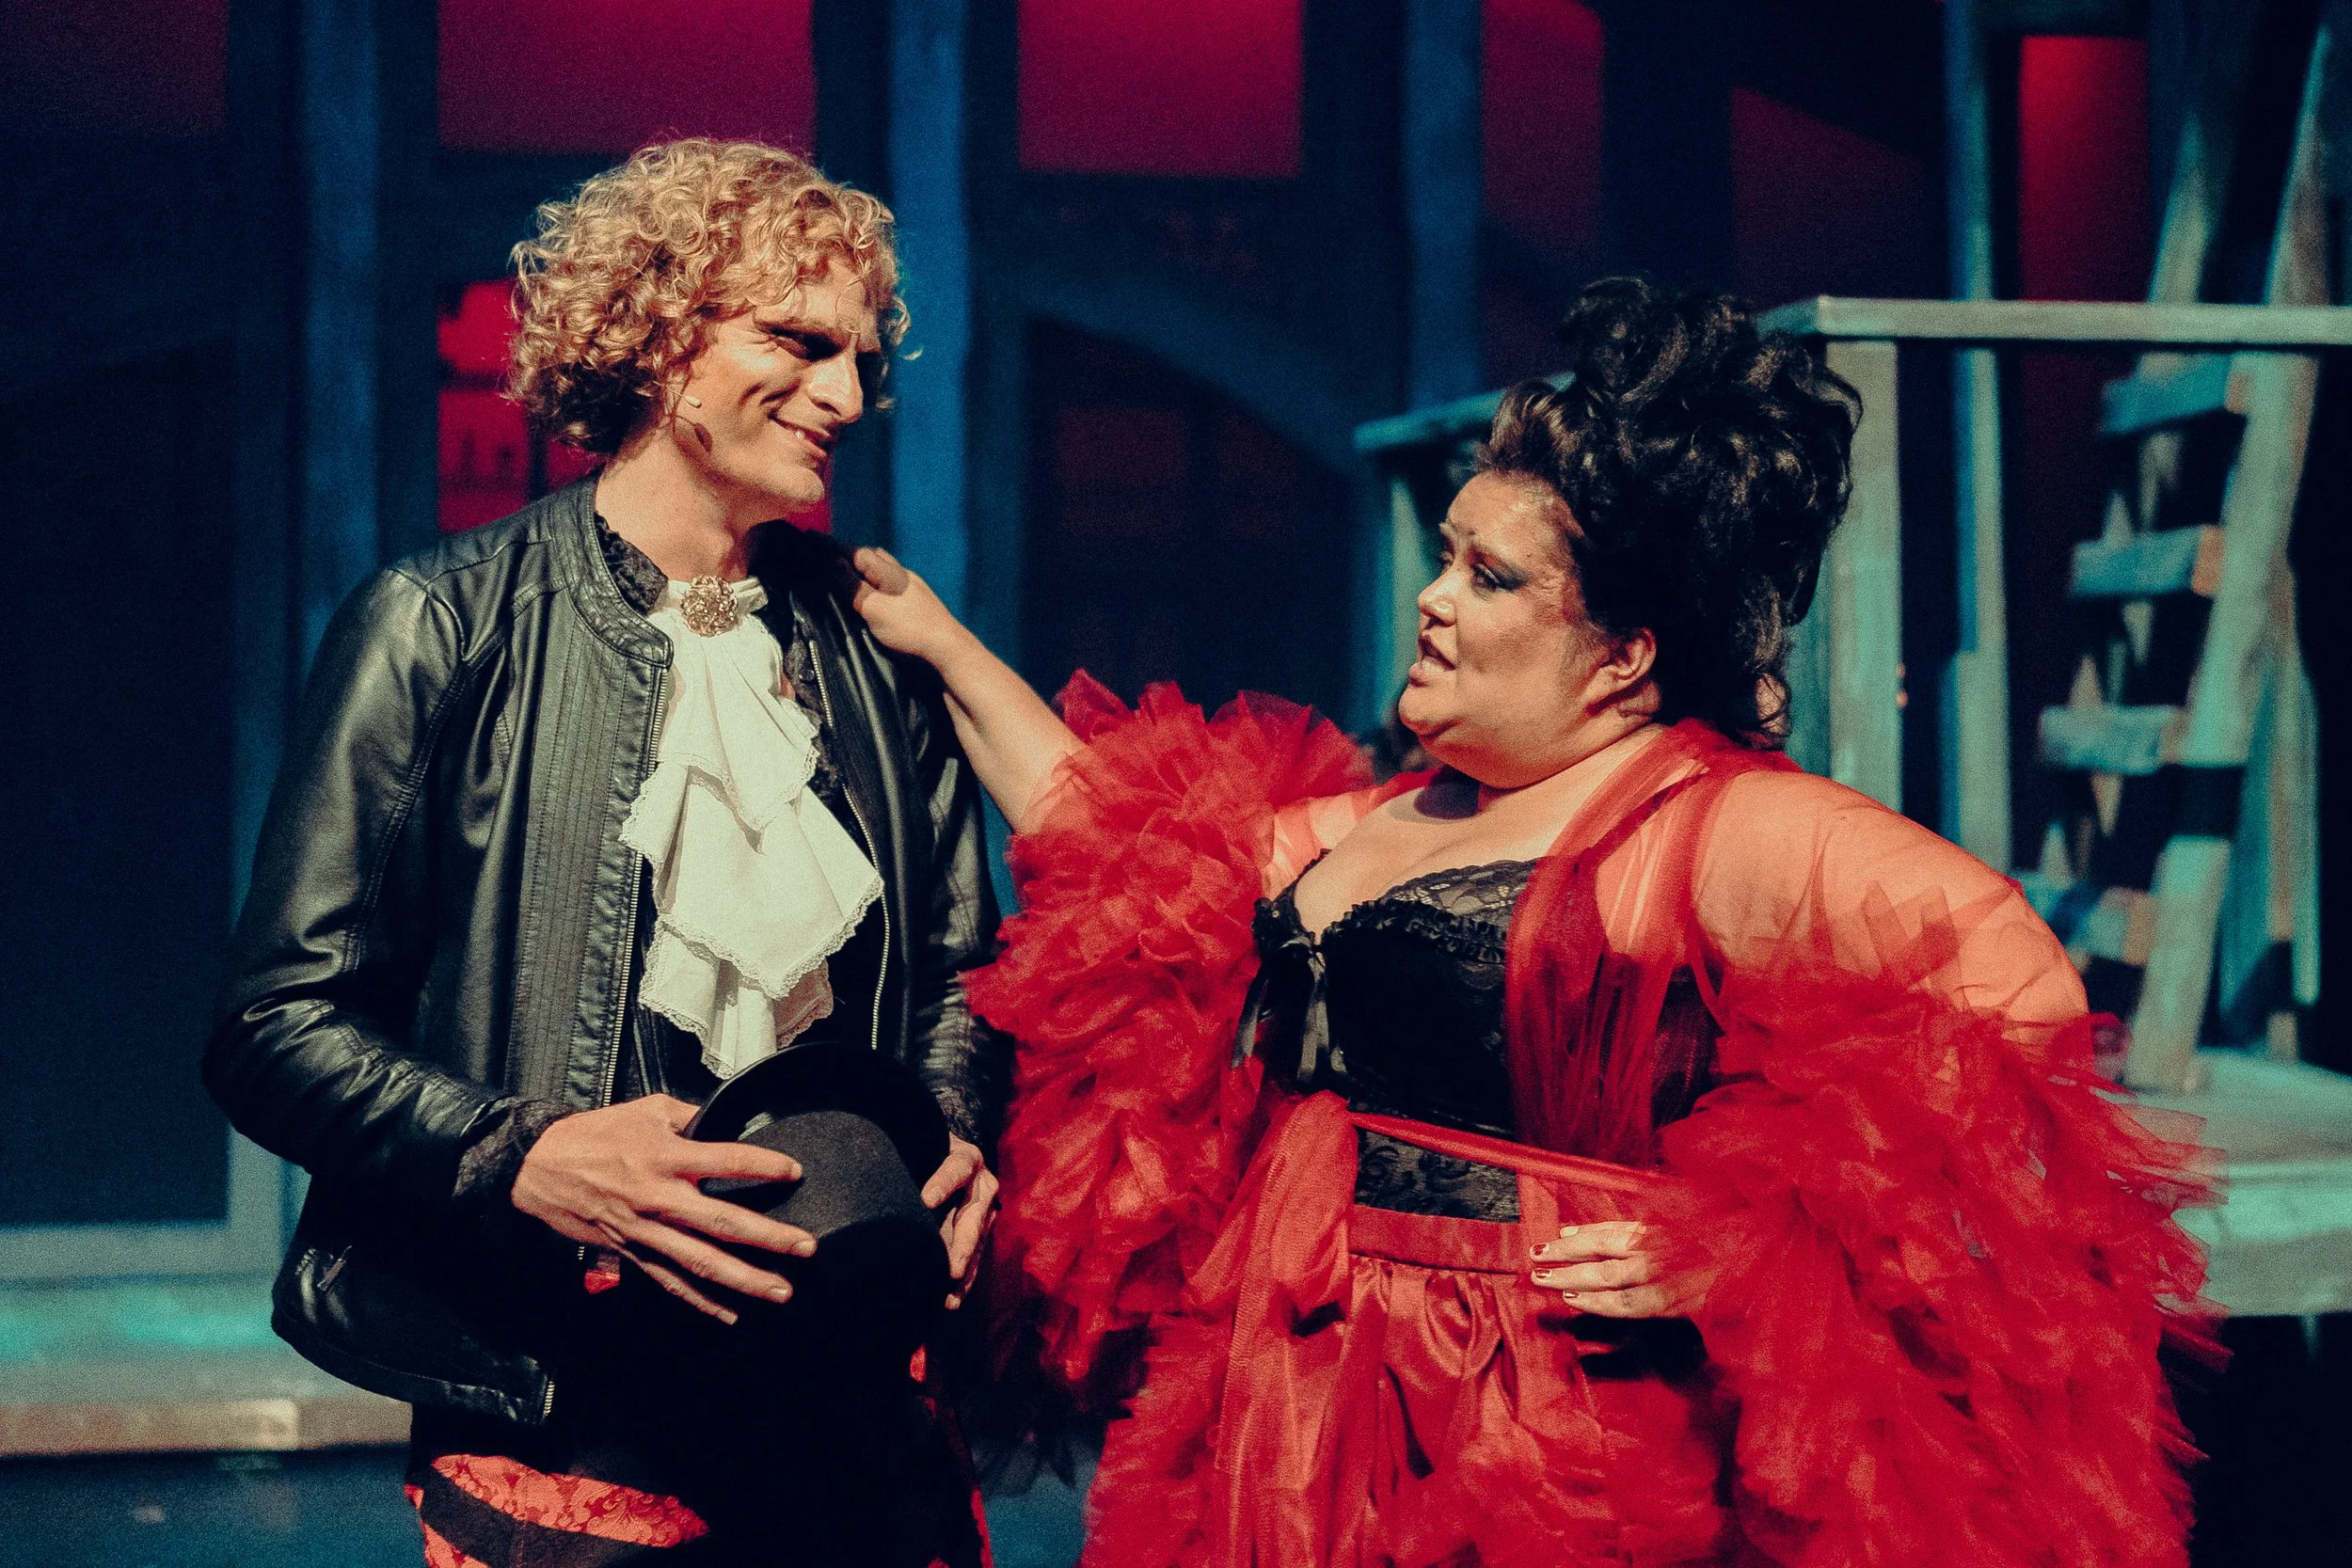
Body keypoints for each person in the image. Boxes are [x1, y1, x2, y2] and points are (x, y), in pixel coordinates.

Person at [849, 279, 2212, 1568]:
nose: (1433, 599)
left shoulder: (1707, 823)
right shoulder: (1404, 806)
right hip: (1294, 1394)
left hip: (1515, 1438)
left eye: (1490, 579)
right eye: (1448, 557)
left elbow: (2014, 983)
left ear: (1623, 656)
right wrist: (942, 648)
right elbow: (1127, 843)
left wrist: (1754, 1234)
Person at [205, 139, 1004, 1567]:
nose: (845, 395)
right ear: (656, 330)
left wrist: (943, 1142)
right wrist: (524, 1154)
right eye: (798, 342)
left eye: (861, 360)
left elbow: (962, 973)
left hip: (859, 1425)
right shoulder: (440, 624)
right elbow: (274, 1024)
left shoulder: (875, 644)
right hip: (569, 1423)